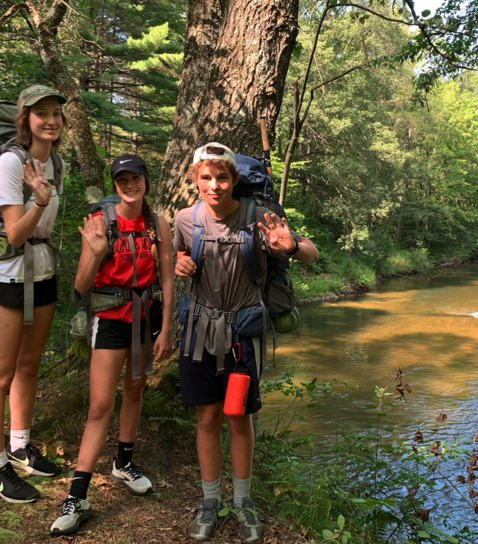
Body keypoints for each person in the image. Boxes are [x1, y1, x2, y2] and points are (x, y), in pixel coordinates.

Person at [174, 142, 318, 542]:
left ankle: (242, 502)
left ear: (234, 180)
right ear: (195, 180)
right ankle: (208, 502)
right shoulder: (185, 220)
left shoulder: (260, 218)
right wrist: (177, 263)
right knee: (206, 417)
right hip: (199, 333)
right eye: (207, 178)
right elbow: (176, 259)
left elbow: (310, 252)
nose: (215, 186)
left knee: (238, 417)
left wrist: (289, 246)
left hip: (241, 336)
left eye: (222, 177)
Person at [50, 154, 174, 536]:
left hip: (145, 318)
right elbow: (80, 285)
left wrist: (167, 327)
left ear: (146, 181)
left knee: (135, 388)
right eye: (122, 179)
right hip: (109, 321)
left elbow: (168, 278)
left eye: (135, 177)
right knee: (101, 404)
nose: (129, 184)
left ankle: (124, 462)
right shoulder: (99, 222)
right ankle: (77, 494)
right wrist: (97, 250)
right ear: (115, 183)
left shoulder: (159, 224)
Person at [0, 84, 67, 503]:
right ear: (25, 118)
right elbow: (13, 234)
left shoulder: (56, 162)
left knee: (29, 365)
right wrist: (37, 201)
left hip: (42, 273)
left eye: (56, 114)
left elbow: (44, 231)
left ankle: (19, 447)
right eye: (41, 113)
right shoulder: (10, 165)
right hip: (6, 277)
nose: (50, 120)